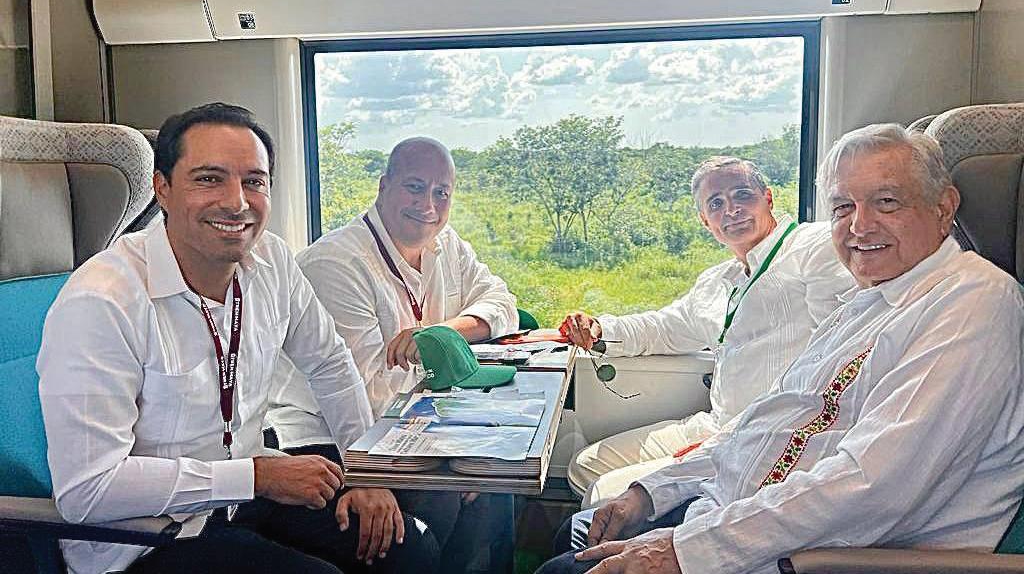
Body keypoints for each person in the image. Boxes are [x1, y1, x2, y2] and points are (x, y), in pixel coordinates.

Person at [537, 123, 1024, 574]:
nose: (860, 227)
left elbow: (874, 485)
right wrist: (649, 493)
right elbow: (764, 421)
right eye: (843, 208)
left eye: (887, 202)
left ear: (944, 207)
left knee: (562, 568)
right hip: (740, 515)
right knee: (581, 530)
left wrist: (684, 550)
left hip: (818, 557)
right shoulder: (867, 302)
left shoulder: (971, 302)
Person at [37, 103, 439, 574]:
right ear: (162, 188)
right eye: (209, 179)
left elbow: (328, 361)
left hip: (241, 501)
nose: (237, 202)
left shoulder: (271, 262)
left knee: (409, 547)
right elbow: (88, 490)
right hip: (143, 540)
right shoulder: (103, 301)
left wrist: (363, 472)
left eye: (254, 181)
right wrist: (255, 476)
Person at [266, 136, 518, 571]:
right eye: (415, 187)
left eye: (442, 192)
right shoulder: (336, 265)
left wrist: (441, 332)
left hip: (404, 423)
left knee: (497, 490)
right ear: (383, 186)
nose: (429, 205)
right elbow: (365, 396)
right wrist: (455, 451)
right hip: (324, 435)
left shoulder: (445, 245)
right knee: (440, 506)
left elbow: (503, 304)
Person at [561, 156, 855, 505]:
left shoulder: (814, 247)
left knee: (604, 493)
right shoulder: (717, 281)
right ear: (705, 221)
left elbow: (833, 360)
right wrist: (598, 330)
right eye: (716, 204)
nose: (731, 210)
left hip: (766, 437)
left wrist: (725, 442)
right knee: (585, 466)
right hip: (716, 424)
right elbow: (665, 328)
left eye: (742, 195)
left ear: (768, 198)